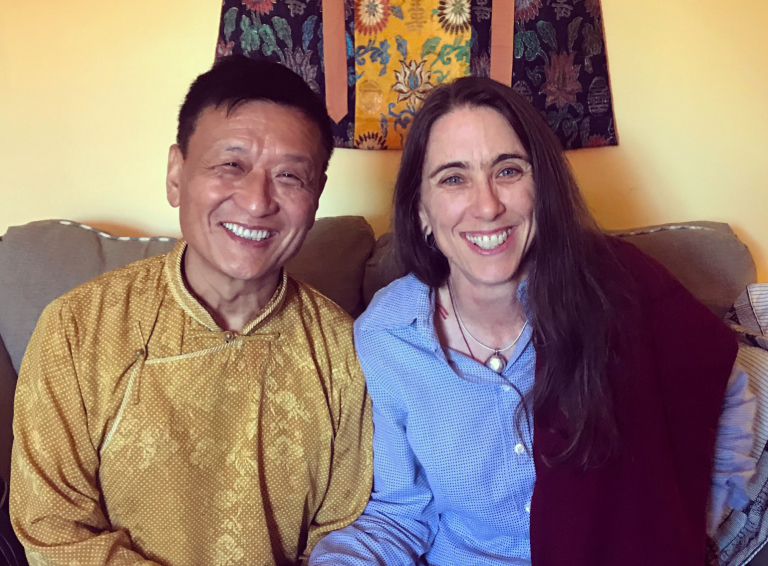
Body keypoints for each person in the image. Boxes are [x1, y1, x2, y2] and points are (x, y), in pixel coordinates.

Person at [309, 77, 755, 565]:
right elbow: (399, 514)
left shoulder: (619, 287)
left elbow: (721, 387)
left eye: (508, 170)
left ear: (542, 187)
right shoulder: (386, 337)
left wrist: (691, 522)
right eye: (454, 178)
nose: (487, 205)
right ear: (421, 213)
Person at [10, 56, 372, 565]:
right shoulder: (77, 328)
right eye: (231, 165)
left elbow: (345, 529)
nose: (257, 202)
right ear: (176, 174)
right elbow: (54, 531)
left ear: (315, 198)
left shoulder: (345, 353)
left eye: (290, 175)